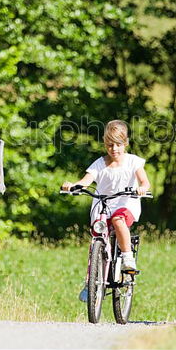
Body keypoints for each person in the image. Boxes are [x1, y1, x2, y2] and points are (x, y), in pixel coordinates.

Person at [61, 120, 151, 301]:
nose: (114, 149)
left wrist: (142, 188)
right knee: (97, 238)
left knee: (118, 221)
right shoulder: (100, 164)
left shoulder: (133, 162)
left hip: (126, 204)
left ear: (125, 144)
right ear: (105, 144)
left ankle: (127, 258)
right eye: (110, 145)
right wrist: (73, 186)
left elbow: (145, 182)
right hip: (103, 206)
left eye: (118, 145)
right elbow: (86, 181)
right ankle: (91, 281)